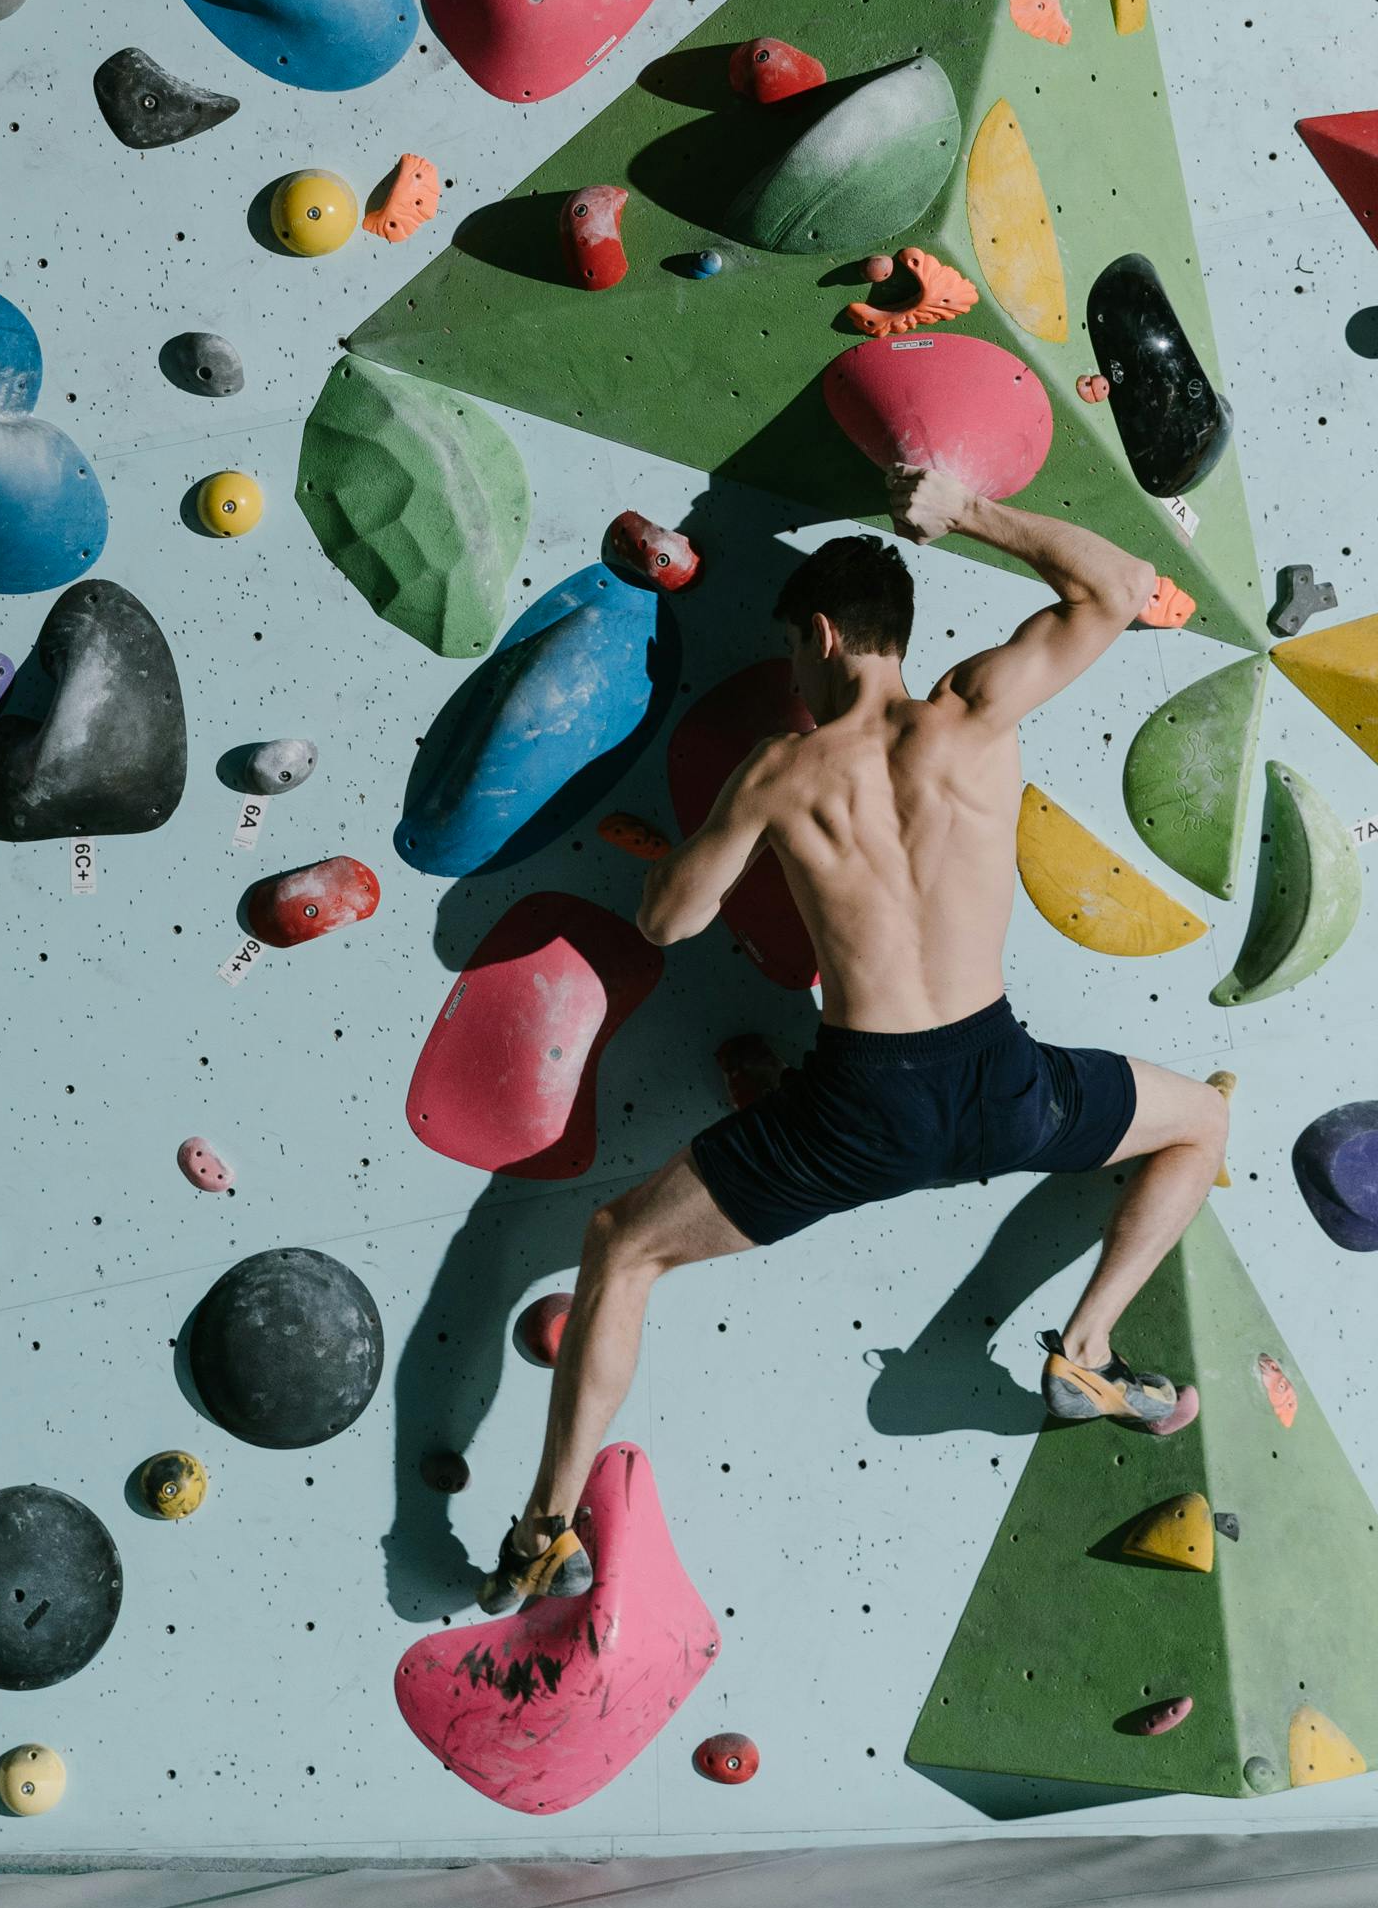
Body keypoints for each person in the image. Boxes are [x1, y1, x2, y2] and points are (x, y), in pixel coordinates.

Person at [478, 468, 1232, 1610]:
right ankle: (1086, 1347)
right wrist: (964, 511)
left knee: (620, 1247)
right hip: (1003, 1085)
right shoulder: (975, 709)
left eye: (793, 652)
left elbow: (668, 923)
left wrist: (701, 842)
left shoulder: (780, 769)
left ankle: (544, 1526)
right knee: (1202, 1120)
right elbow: (1120, 586)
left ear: (821, 636)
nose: (792, 675)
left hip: (856, 1112)